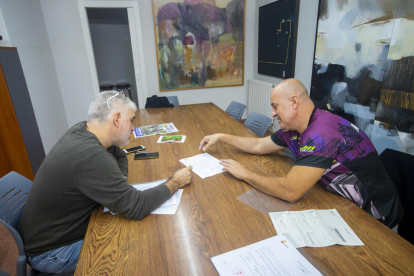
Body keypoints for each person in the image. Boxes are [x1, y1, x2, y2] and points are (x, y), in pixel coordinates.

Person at [18, 91, 193, 274]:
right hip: (51, 251)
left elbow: (120, 155)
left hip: (55, 230)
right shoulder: (90, 154)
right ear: (117, 119)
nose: (133, 128)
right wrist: (175, 182)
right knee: (137, 248)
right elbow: (137, 206)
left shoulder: (84, 130)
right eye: (132, 120)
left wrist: (119, 180)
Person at [199, 78, 403, 228]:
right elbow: (259, 146)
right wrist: (222, 136)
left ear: (294, 102)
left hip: (377, 218)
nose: (272, 113)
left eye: (275, 106)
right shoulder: (293, 130)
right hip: (341, 204)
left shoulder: (322, 134)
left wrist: (245, 174)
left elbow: (290, 191)